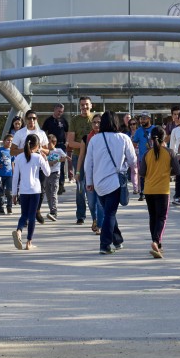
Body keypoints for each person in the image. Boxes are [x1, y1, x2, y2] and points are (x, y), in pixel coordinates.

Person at [84, 111, 137, 255]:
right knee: (110, 214)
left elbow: (88, 162)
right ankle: (105, 244)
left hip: (98, 182)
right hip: (115, 182)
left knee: (109, 212)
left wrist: (89, 181)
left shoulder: (94, 139)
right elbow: (133, 160)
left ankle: (117, 240)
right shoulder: (123, 138)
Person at [139, 125, 180, 258]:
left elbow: (141, 172)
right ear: (164, 138)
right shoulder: (170, 152)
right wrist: (168, 172)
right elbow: (178, 171)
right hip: (162, 190)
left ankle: (157, 244)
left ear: (151, 139)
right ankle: (156, 241)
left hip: (149, 189)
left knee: (153, 217)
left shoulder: (147, 154)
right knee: (162, 217)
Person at [11, 134, 50, 250]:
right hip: (35, 190)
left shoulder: (19, 158)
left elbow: (15, 177)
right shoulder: (38, 157)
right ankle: (29, 242)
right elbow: (47, 173)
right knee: (32, 216)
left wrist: (14, 193)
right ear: (37, 145)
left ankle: (18, 231)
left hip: (23, 190)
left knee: (24, 214)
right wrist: (45, 159)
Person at [11, 111, 49, 224]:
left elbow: (48, 150)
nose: (31, 120)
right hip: (25, 163)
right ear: (25, 119)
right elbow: (12, 151)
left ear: (37, 119)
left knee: (41, 188)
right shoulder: (20, 133)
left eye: (34, 118)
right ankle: (26, 214)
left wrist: (40, 150)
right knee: (24, 188)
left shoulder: (41, 133)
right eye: (29, 118)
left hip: (38, 163)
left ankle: (37, 210)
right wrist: (27, 149)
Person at [66, 96, 94, 224]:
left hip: (95, 157)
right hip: (79, 158)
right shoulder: (75, 120)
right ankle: (81, 215)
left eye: (86, 104)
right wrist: (85, 145)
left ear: (91, 105)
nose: (84, 107)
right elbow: (70, 142)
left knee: (95, 186)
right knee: (80, 186)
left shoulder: (96, 118)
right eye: (82, 105)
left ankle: (96, 215)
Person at [78, 113, 104, 232]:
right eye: (94, 122)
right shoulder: (86, 138)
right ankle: (94, 218)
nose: (97, 124)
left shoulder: (106, 137)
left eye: (99, 122)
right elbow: (81, 156)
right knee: (92, 201)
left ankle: (98, 224)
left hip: (102, 174)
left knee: (100, 201)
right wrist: (78, 172)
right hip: (89, 173)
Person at [42, 103, 69, 194]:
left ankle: (60, 185)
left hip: (61, 145)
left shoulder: (64, 121)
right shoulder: (48, 121)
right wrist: (45, 144)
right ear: (54, 110)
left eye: (61, 112)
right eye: (58, 111)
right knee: (51, 163)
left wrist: (66, 142)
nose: (59, 113)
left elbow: (67, 132)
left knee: (61, 165)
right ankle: (50, 183)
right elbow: (43, 132)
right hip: (51, 146)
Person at [132, 111, 154, 200]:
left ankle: (152, 191)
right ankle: (142, 192)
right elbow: (134, 143)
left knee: (152, 175)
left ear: (149, 119)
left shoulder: (155, 129)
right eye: (141, 118)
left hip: (154, 157)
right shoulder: (138, 131)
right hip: (143, 158)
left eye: (144, 118)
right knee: (142, 175)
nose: (142, 120)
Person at [45, 134, 67, 220]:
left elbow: (64, 157)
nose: (47, 144)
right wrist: (57, 160)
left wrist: (64, 158)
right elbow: (48, 163)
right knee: (48, 194)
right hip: (47, 174)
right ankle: (51, 210)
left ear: (54, 143)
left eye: (49, 143)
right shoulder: (45, 151)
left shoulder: (58, 150)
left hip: (55, 174)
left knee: (54, 192)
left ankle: (53, 211)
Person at [0, 133, 14, 215]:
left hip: (9, 174)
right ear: (4, 141)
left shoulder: (12, 151)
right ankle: (1, 208)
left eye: (11, 141)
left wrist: (14, 172)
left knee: (9, 192)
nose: (9, 142)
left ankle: (9, 207)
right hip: (0, 174)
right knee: (1, 192)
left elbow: (12, 162)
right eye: (8, 140)